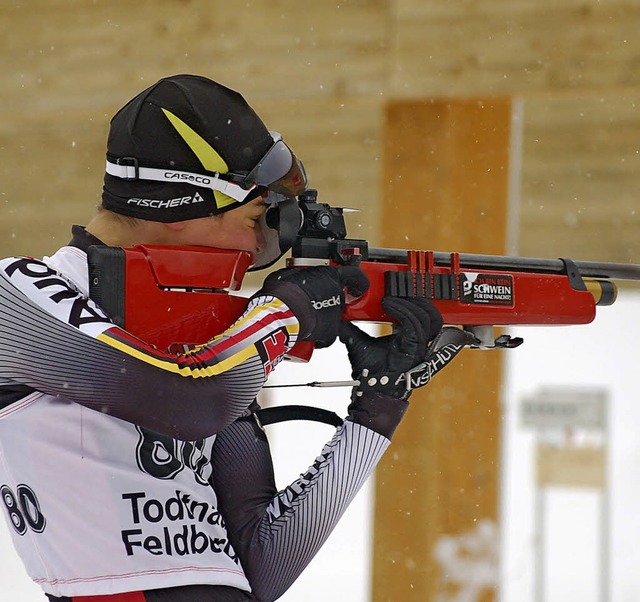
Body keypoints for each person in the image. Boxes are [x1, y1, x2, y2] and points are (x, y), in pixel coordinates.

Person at [0, 74, 466, 602]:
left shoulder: (214, 345)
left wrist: (377, 410)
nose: (260, 246)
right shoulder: (15, 297)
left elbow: (261, 564)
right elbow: (191, 397)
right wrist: (283, 314)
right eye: (255, 219)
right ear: (181, 208)